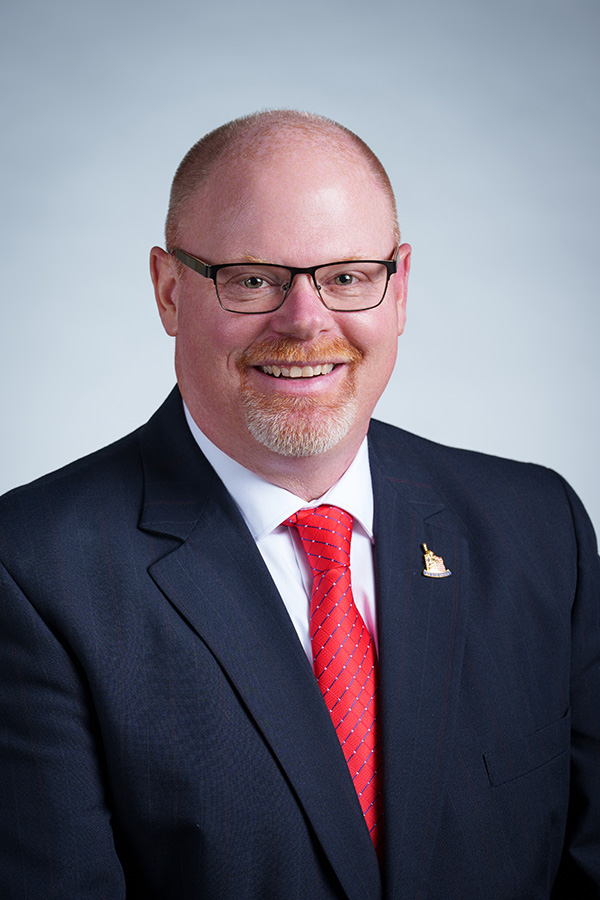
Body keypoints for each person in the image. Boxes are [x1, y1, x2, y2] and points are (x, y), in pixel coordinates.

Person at [0, 110, 598, 900]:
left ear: (400, 286)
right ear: (170, 292)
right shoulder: (32, 572)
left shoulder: (538, 526)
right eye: (253, 278)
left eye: (347, 275)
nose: (306, 321)